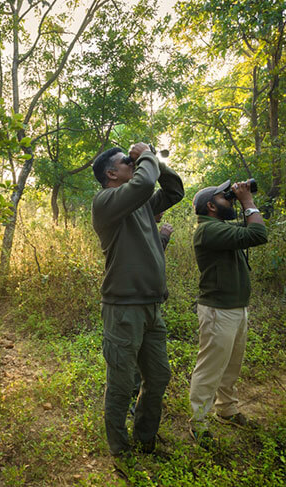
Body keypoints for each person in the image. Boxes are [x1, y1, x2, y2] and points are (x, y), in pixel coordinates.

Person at [91, 143, 184, 460]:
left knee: (158, 377)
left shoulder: (141, 204)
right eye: (126, 162)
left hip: (152, 308)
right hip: (123, 309)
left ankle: (146, 440)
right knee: (120, 384)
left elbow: (175, 190)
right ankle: (120, 449)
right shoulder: (105, 202)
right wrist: (144, 153)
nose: (133, 164)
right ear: (111, 173)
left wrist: (153, 159)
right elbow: (145, 182)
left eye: (133, 161)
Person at [189, 179, 267, 447]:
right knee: (210, 367)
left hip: (235, 308)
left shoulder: (219, 227)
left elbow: (251, 228)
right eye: (226, 198)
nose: (231, 200)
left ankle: (227, 409)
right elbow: (258, 234)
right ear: (211, 206)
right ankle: (198, 422)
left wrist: (243, 201)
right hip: (218, 311)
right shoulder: (208, 231)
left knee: (232, 365)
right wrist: (247, 201)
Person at [130, 213, 174, 415]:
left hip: (149, 303)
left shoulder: (145, 229)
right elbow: (145, 256)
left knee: (146, 357)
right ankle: (134, 397)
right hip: (134, 303)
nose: (161, 212)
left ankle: (139, 396)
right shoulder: (134, 228)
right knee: (135, 354)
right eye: (157, 207)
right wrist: (162, 237)